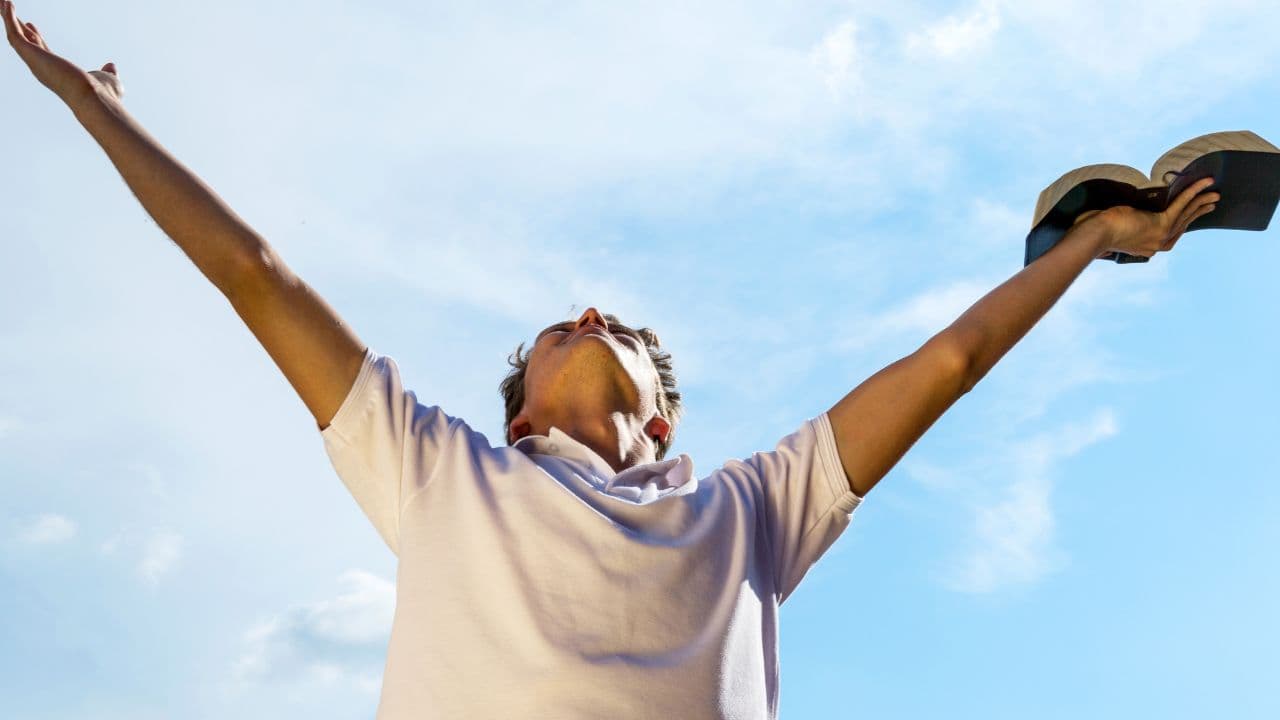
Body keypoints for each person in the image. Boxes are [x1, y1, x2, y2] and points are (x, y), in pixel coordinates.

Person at [2, 2, 1222, 718]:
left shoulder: (748, 512)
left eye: (626, 333)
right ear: (519, 417)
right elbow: (254, 275)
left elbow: (951, 360)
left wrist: (1096, 241)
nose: (588, 314)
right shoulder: (440, 475)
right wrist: (91, 104)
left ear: (661, 425)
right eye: (557, 329)